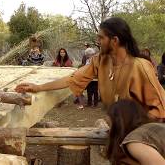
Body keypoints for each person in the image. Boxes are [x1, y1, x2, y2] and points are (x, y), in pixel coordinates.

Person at [15, 17, 165, 120]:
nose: (97, 42)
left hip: (144, 136)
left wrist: (129, 127)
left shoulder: (140, 67)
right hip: (118, 134)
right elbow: (72, 79)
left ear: (114, 41)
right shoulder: (100, 61)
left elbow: (159, 110)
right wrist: (39, 87)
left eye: (101, 38)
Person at [106, 99, 165, 165]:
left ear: (118, 125)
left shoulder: (134, 141)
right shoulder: (151, 130)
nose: (107, 130)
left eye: (109, 125)